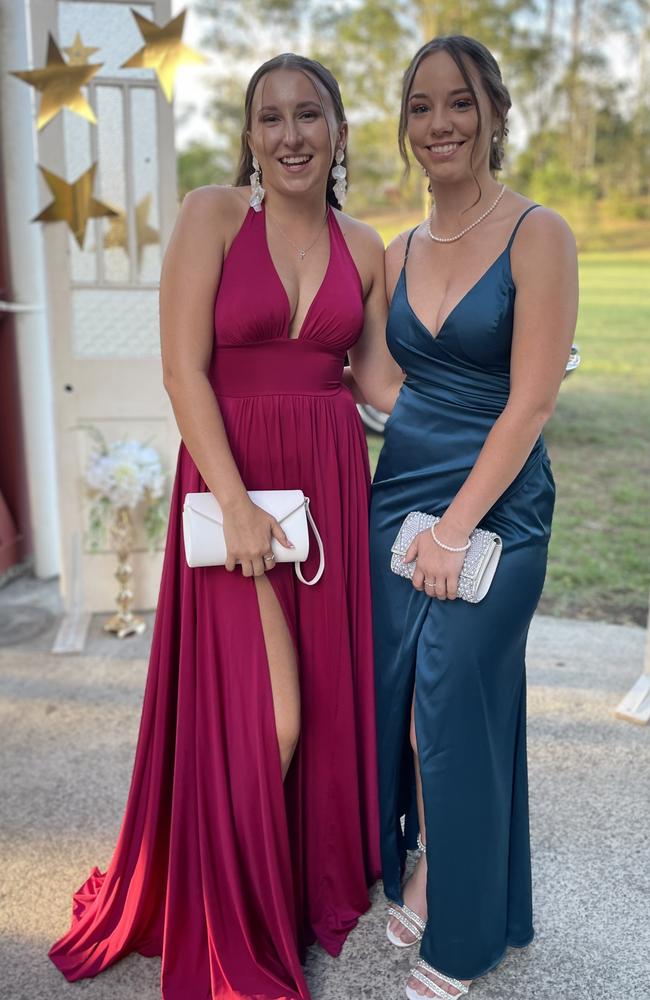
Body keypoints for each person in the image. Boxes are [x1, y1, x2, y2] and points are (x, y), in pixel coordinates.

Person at [49, 53, 389, 1000]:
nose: (290, 135)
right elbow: (182, 370)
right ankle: (228, 909)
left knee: (319, 704)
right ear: (248, 135)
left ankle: (293, 880)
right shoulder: (209, 215)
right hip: (232, 494)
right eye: (270, 118)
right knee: (265, 719)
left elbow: (382, 384)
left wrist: (508, 391)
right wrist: (236, 505)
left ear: (337, 131)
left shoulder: (366, 246)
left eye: (309, 114)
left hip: (326, 495)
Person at [367, 35, 579, 1000]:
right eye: (421, 106)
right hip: (398, 497)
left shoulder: (541, 233)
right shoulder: (399, 248)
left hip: (493, 510)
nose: (439, 123)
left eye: (459, 103)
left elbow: (530, 402)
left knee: (456, 699)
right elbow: (379, 380)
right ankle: (424, 862)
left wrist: (455, 530)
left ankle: (464, 928)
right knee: (408, 704)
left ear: (493, 113)